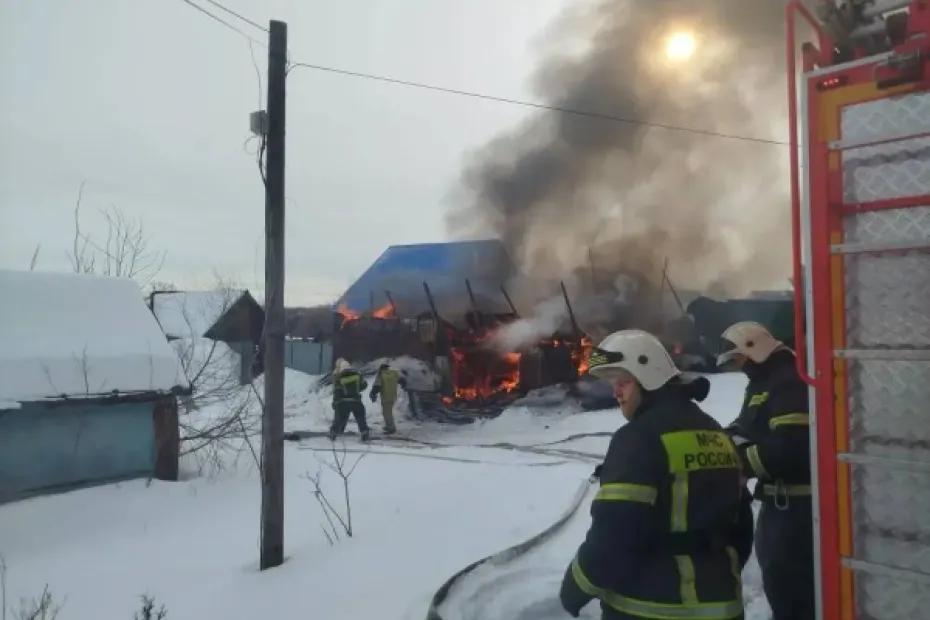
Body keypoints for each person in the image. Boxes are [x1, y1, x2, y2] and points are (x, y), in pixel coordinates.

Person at [560, 329, 752, 620]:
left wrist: (574, 589)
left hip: (650, 609)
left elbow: (614, 533)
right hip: (724, 606)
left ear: (648, 379)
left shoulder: (638, 438)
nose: (616, 393)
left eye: (623, 382)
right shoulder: (716, 433)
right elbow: (742, 526)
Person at [717, 322, 814, 620]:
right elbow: (744, 424)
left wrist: (742, 461)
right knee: (778, 583)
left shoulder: (788, 381)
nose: (738, 365)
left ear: (753, 349)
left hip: (796, 509)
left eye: (739, 358)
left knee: (791, 590)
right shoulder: (763, 382)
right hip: (778, 505)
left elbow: (792, 450)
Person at [328, 358, 370, 442]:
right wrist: (356, 388)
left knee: (340, 418)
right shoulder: (357, 375)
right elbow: (364, 385)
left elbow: (337, 391)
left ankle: (333, 433)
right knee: (360, 418)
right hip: (356, 401)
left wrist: (335, 402)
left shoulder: (339, 376)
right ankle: (364, 432)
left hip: (343, 402)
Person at [370, 363, 403, 435]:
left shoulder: (380, 375)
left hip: (385, 396)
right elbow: (402, 381)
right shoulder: (394, 373)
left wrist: (373, 393)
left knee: (387, 413)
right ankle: (389, 426)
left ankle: (391, 428)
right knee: (388, 412)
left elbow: (377, 386)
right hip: (393, 396)